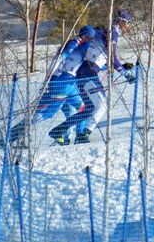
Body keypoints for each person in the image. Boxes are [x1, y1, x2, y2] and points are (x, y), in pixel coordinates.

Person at [56, 11, 136, 145]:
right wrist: (124, 73)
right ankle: (83, 134)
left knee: (89, 108)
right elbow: (111, 56)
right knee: (102, 105)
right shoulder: (112, 34)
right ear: (121, 21)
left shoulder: (104, 32)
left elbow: (101, 57)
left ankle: (61, 130)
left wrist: (121, 65)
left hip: (82, 72)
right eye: (128, 23)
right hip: (88, 73)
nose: (128, 27)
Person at [9, 25, 94, 146]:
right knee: (48, 113)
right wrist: (48, 79)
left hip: (68, 83)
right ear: (85, 36)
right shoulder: (73, 44)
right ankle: (13, 134)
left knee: (81, 108)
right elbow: (58, 60)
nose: (91, 40)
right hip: (60, 82)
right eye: (91, 38)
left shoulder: (80, 45)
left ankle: (77, 136)